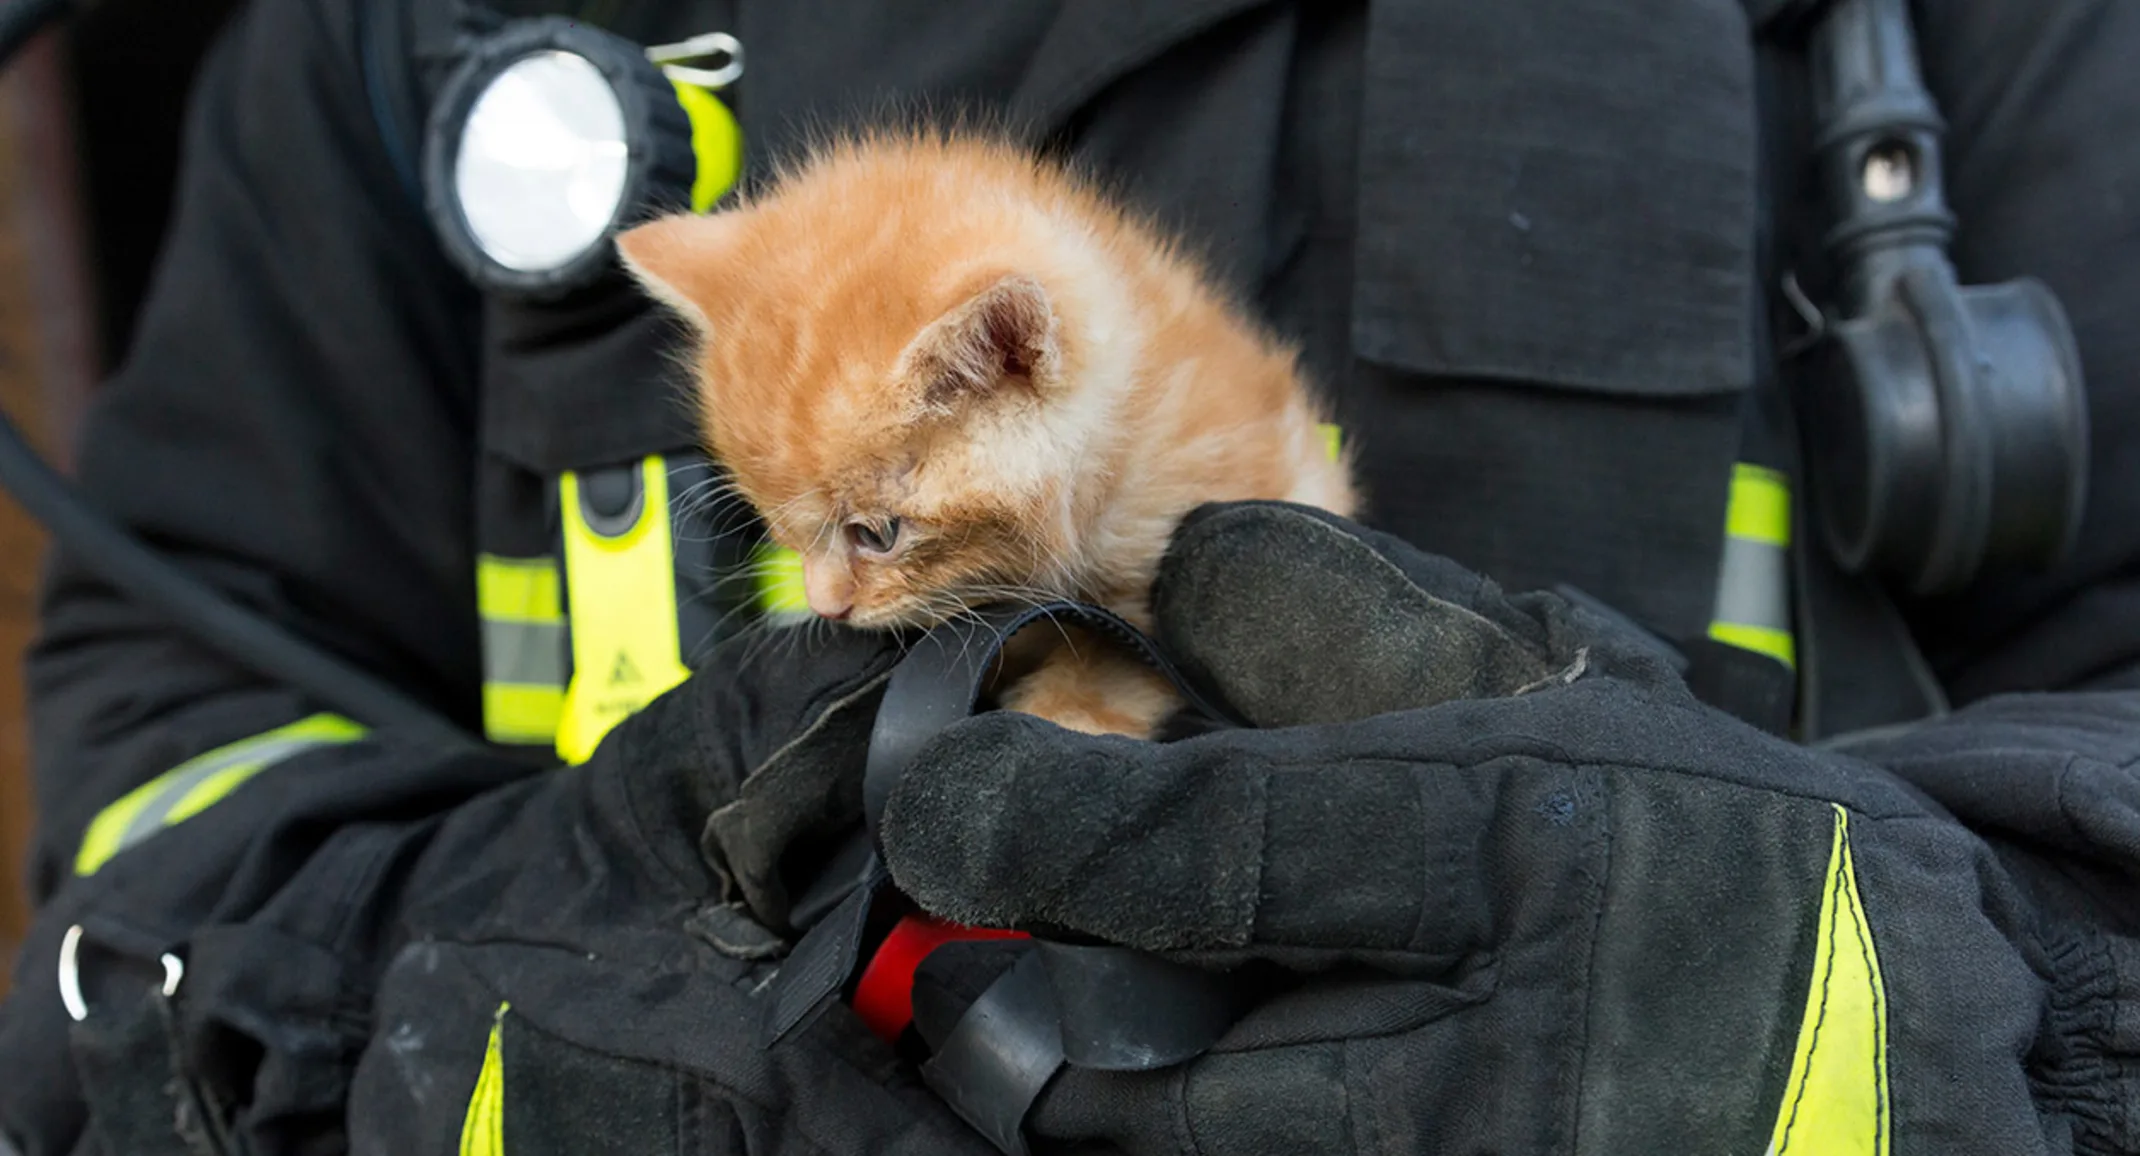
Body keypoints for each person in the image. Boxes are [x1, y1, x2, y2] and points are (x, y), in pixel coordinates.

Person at [1, 0, 2136, 1151]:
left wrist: (1932, 995)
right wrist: (508, 988)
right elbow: (167, 785)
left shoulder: (1965, 39)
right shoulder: (415, 40)